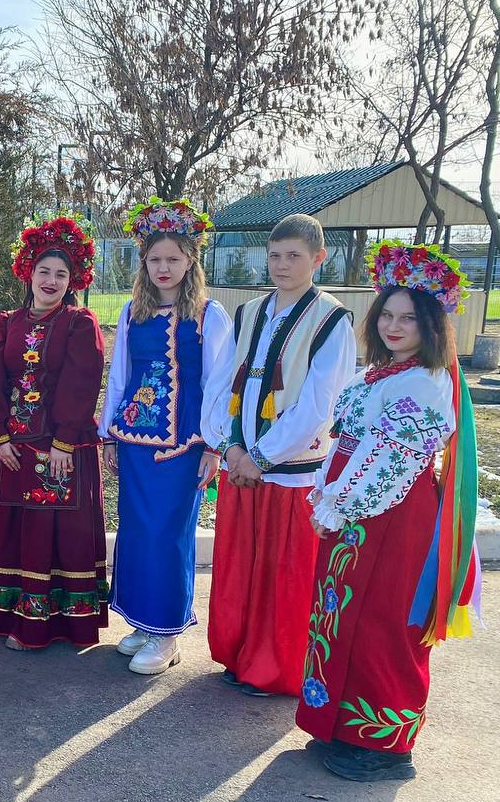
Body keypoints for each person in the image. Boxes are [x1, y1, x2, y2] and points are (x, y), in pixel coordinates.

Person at [296, 241, 479, 782]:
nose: (394, 326)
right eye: (387, 315)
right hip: (356, 516)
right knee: (343, 614)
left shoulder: (424, 381)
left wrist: (338, 504)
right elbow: (347, 445)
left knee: (384, 623)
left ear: (431, 325)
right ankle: (341, 724)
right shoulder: (381, 373)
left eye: (409, 318)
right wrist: (328, 495)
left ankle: (387, 746)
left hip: (392, 518)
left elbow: (390, 459)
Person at [205, 213, 357, 697]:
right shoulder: (251, 312)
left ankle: (275, 668)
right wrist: (227, 444)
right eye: (274, 255)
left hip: (290, 471)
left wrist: (263, 456)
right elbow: (224, 380)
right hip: (240, 461)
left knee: (283, 575)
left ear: (319, 258)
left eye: (294, 256)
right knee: (242, 567)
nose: (282, 265)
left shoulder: (331, 318)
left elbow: (319, 402)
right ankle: (239, 653)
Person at [100, 199, 232, 674]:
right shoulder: (134, 314)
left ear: (190, 260)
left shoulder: (210, 315)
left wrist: (215, 446)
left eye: (173, 258)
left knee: (169, 533)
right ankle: (143, 621)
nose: (163, 267)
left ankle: (169, 632)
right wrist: (109, 436)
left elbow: (220, 384)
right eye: (155, 259)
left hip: (185, 446)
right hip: (134, 441)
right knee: (136, 531)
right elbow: (120, 376)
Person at [0, 213, 109, 650]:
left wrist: (65, 441)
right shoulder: (5, 323)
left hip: (60, 449)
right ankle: (5, 618)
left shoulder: (79, 323)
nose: (51, 281)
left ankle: (45, 628)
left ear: (72, 280)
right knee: (16, 530)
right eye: (44, 271)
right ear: (28, 273)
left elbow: (81, 382)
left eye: (61, 274)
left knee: (53, 534)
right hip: (14, 448)